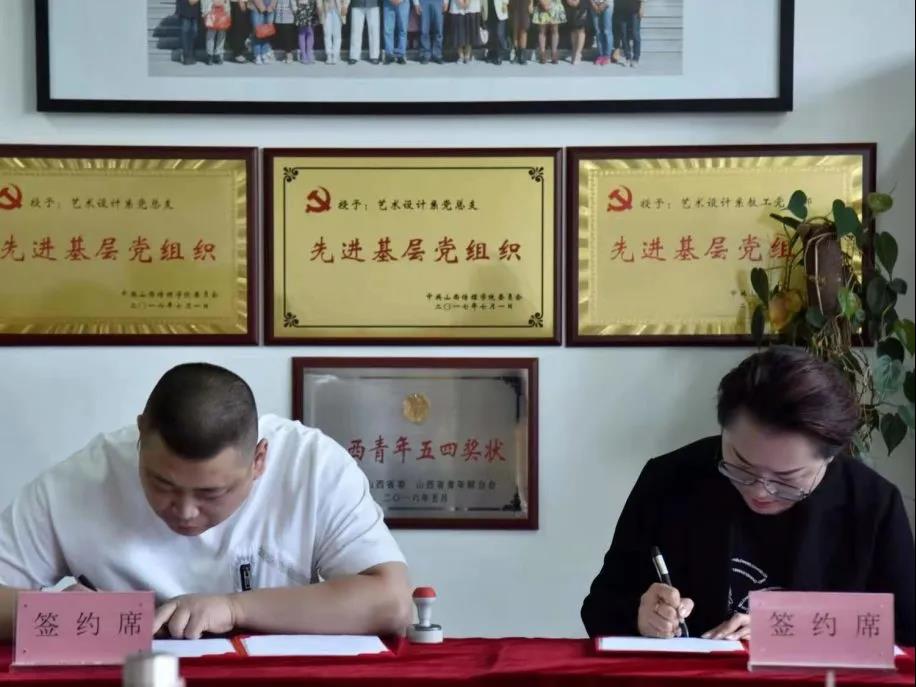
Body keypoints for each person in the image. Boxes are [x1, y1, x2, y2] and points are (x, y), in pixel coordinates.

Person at [0, 363, 411, 640]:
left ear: (259, 460)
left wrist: (234, 610)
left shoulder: (311, 466)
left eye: (211, 493)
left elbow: (391, 602)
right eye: (161, 483)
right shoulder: (80, 480)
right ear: (141, 433)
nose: (185, 511)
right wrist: (74, 618)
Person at [581, 347, 915, 646]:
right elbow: (600, 607)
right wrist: (640, 616)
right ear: (724, 430)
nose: (759, 490)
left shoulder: (871, 503)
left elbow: (906, 630)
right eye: (740, 465)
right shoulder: (669, 479)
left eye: (786, 479)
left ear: (830, 457)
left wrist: (788, 628)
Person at [348, 0, 381, 64]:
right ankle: (354, 56)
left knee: (374, 31)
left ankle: (375, 56)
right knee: (355, 30)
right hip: (357, 3)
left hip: (373, 3)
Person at [612, 0, 640, 67]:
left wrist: (642, 7)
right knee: (624, 35)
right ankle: (628, 57)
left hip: (634, 11)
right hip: (620, 11)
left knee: (635, 34)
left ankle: (636, 58)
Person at [202, 0, 231, 64]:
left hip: (223, 6)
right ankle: (209, 54)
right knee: (211, 33)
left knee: (222, 32)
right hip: (211, 6)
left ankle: (218, 53)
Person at [250, 0, 278, 65]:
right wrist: (262, 7)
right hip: (257, 8)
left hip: (270, 7)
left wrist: (272, 5)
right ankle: (257, 55)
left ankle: (264, 53)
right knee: (258, 32)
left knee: (267, 32)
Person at [176, 0, 202, 66]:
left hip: (195, 10)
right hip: (185, 8)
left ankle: (191, 54)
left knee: (194, 32)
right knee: (185, 32)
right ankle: (186, 56)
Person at [484, 0, 509, 64]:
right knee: (490, 33)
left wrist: (505, 3)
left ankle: (499, 54)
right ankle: (491, 53)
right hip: (488, 7)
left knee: (499, 33)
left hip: (499, 7)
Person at [589, 0, 612, 65]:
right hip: (594, 5)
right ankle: (601, 55)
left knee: (607, 31)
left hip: (607, 3)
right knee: (598, 31)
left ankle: (607, 56)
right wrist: (593, 4)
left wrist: (605, 3)